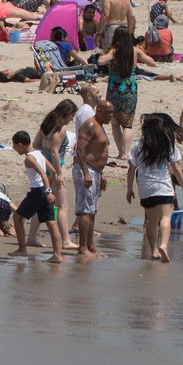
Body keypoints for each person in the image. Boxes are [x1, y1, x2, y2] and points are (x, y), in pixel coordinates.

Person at [126, 113, 183, 262]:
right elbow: (176, 168)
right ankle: (164, 245)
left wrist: (129, 189)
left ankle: (154, 250)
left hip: (145, 187)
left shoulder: (137, 145)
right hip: (163, 186)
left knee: (151, 221)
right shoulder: (168, 144)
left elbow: (131, 169)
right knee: (166, 218)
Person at [9, 130, 63, 264]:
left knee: (17, 217)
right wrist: (48, 189)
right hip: (44, 191)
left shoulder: (29, 158)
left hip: (38, 192)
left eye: (14, 146)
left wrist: (47, 191)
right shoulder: (39, 153)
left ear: (20, 145)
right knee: (51, 223)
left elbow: (44, 175)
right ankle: (57, 255)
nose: (14, 149)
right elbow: (53, 171)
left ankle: (22, 249)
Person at [98, 26, 149, 160]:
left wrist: (105, 53)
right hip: (129, 89)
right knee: (127, 124)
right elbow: (152, 63)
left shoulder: (114, 51)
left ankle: (121, 152)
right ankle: (126, 153)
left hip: (114, 90)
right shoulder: (135, 50)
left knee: (115, 122)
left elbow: (101, 61)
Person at [72, 97, 112, 258]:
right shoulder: (89, 125)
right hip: (86, 170)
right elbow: (80, 150)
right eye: (108, 113)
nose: (111, 116)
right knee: (86, 210)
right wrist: (86, 173)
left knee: (92, 209)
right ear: (99, 111)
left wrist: (100, 175)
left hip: (95, 171)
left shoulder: (100, 126)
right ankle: (83, 248)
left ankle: (90, 246)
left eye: (112, 113)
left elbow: (98, 151)